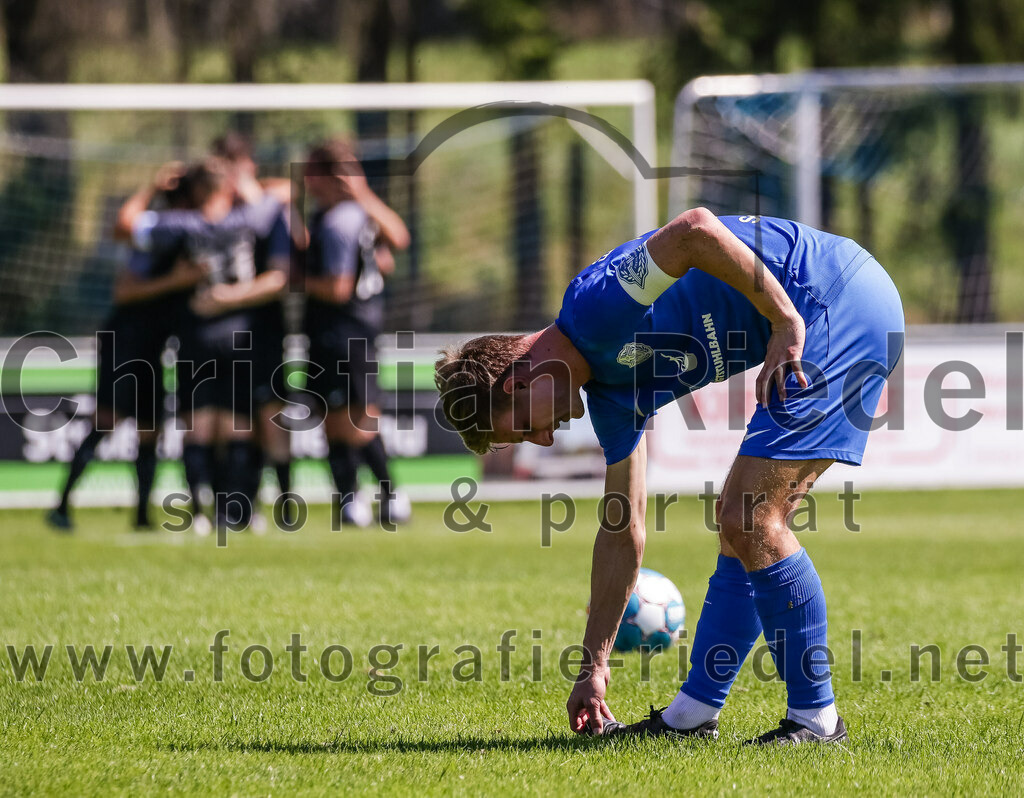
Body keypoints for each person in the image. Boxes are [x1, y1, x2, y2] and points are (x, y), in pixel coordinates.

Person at [434, 209, 905, 745]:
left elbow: (695, 231)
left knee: (750, 515)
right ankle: (691, 717)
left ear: (519, 380)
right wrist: (593, 665)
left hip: (831, 300)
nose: (542, 440)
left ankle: (817, 722)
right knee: (740, 525)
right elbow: (621, 530)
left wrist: (783, 318)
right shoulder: (611, 400)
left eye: (522, 427)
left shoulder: (593, 306)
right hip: (829, 306)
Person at [124, 157, 288, 534]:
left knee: (197, 425)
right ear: (226, 189)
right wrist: (248, 183)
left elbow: (129, 224)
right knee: (237, 425)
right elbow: (280, 196)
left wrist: (151, 187)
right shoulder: (248, 219)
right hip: (240, 334)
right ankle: (233, 512)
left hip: (197, 333)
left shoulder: (181, 224)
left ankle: (198, 510)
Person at [47, 165, 202, 532]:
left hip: (154, 345)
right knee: (106, 422)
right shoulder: (162, 231)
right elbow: (125, 288)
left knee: (151, 430)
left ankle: (142, 515)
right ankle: (62, 506)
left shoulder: (194, 229)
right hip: (127, 340)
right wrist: (175, 281)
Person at [302, 138, 411, 527]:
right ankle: (358, 500)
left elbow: (338, 288)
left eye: (312, 171)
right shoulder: (339, 216)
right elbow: (387, 255)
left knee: (355, 420)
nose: (305, 180)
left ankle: (384, 495)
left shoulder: (341, 220)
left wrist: (290, 280)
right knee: (336, 416)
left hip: (344, 328)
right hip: (347, 329)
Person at [213, 133, 295, 528]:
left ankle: (285, 504)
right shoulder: (213, 211)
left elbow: (280, 276)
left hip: (262, 331)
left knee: (269, 417)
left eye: (236, 168)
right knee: (230, 421)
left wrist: (228, 298)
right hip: (218, 335)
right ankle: (238, 506)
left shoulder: (271, 210)